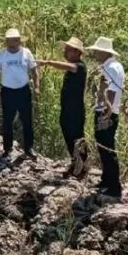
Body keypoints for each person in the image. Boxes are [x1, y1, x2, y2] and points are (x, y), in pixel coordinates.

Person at [37, 36, 88, 176]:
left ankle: (82, 167)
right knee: (68, 136)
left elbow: (68, 66)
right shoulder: (73, 67)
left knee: (77, 137)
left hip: (75, 111)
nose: (65, 53)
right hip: (67, 109)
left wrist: (48, 62)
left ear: (77, 52)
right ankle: (75, 163)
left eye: (68, 50)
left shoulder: (80, 66)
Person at [0, 28, 39, 161]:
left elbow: (34, 71)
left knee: (27, 121)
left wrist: (36, 87)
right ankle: (7, 148)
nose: (12, 42)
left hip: (23, 91)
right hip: (8, 92)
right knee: (7, 121)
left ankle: (28, 148)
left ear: (18, 40)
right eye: (9, 40)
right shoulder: (1, 54)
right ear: (6, 41)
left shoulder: (26, 53)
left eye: (15, 40)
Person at [88, 36, 125, 199]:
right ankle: (106, 180)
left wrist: (106, 113)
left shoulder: (111, 68)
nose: (94, 53)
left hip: (106, 112)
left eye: (96, 51)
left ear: (104, 52)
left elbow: (111, 92)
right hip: (107, 110)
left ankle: (114, 187)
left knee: (107, 148)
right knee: (103, 146)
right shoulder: (113, 66)